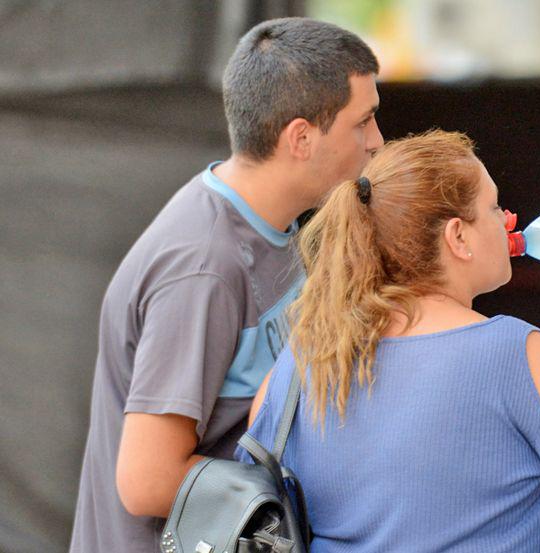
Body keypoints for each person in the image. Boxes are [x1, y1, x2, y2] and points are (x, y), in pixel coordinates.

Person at [239, 130, 540, 552]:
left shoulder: (302, 364)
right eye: (495, 208)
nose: (510, 219)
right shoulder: (508, 354)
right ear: (458, 237)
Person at [69, 18, 384, 552]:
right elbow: (146, 480)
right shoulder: (203, 268)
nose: (377, 142)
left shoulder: (274, 223)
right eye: (364, 122)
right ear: (301, 138)